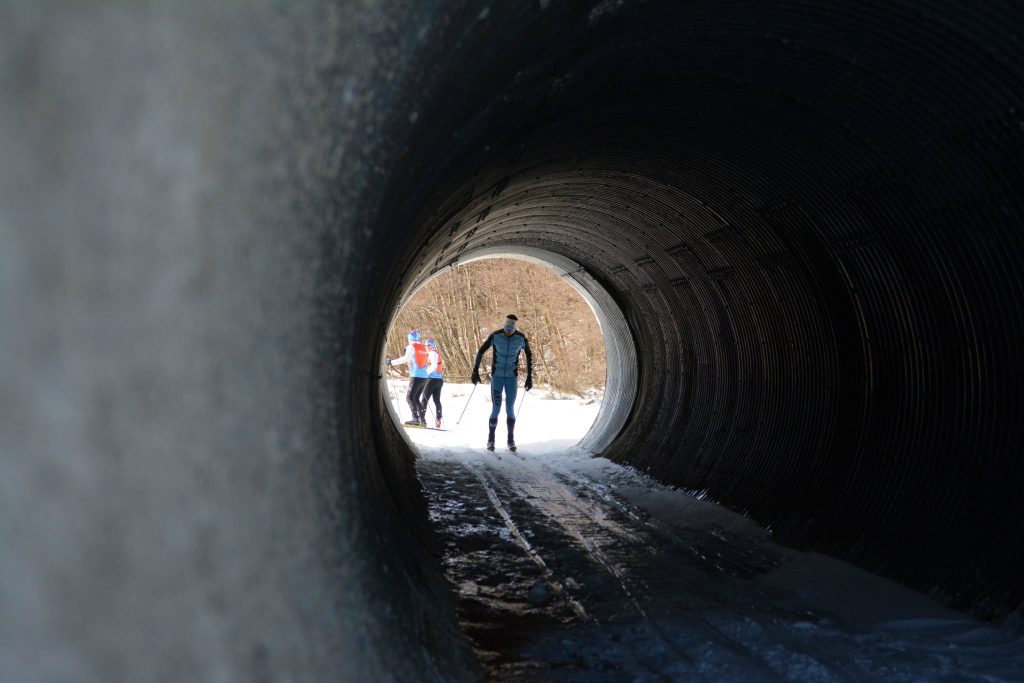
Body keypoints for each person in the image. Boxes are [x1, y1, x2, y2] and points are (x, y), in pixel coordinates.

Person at [471, 314, 533, 451]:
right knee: (496, 408)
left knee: (510, 408)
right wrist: (475, 370)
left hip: (511, 378)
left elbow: (529, 356)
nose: (507, 331)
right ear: (503, 325)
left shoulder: (521, 338)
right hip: (497, 377)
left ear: (515, 328)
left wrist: (530, 377)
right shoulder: (496, 335)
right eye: (506, 328)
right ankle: (491, 440)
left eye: (510, 329)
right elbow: (481, 350)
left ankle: (511, 441)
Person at [386, 329, 430, 427]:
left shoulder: (411, 347)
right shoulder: (422, 347)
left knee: (409, 397)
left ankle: (415, 419)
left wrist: (391, 362)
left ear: (410, 339)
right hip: (424, 377)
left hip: (417, 376)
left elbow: (406, 358)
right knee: (416, 398)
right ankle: (422, 420)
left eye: (408, 339)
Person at [420, 338, 445, 428]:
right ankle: (438, 419)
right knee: (436, 400)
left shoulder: (431, 353)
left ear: (433, 345)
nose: (427, 347)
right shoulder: (436, 353)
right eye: (426, 345)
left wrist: (424, 373)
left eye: (428, 345)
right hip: (439, 380)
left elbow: (434, 366)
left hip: (431, 380)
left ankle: (422, 420)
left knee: (424, 400)